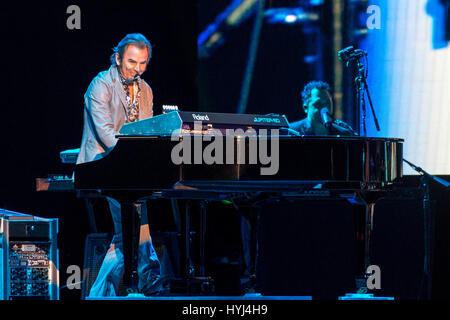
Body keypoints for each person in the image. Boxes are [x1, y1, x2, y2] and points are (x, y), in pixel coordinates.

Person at [76, 33, 161, 297]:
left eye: (143, 63)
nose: (137, 69)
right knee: (132, 231)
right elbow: (106, 135)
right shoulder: (99, 86)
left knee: (130, 232)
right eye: (132, 62)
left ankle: (101, 294)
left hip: (131, 170)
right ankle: (151, 280)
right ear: (117, 58)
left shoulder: (145, 90)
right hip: (102, 166)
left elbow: (147, 131)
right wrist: (135, 161)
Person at [289, 81, 357, 136]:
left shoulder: (343, 132)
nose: (324, 108)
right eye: (319, 104)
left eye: (327, 103)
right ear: (305, 108)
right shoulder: (291, 131)